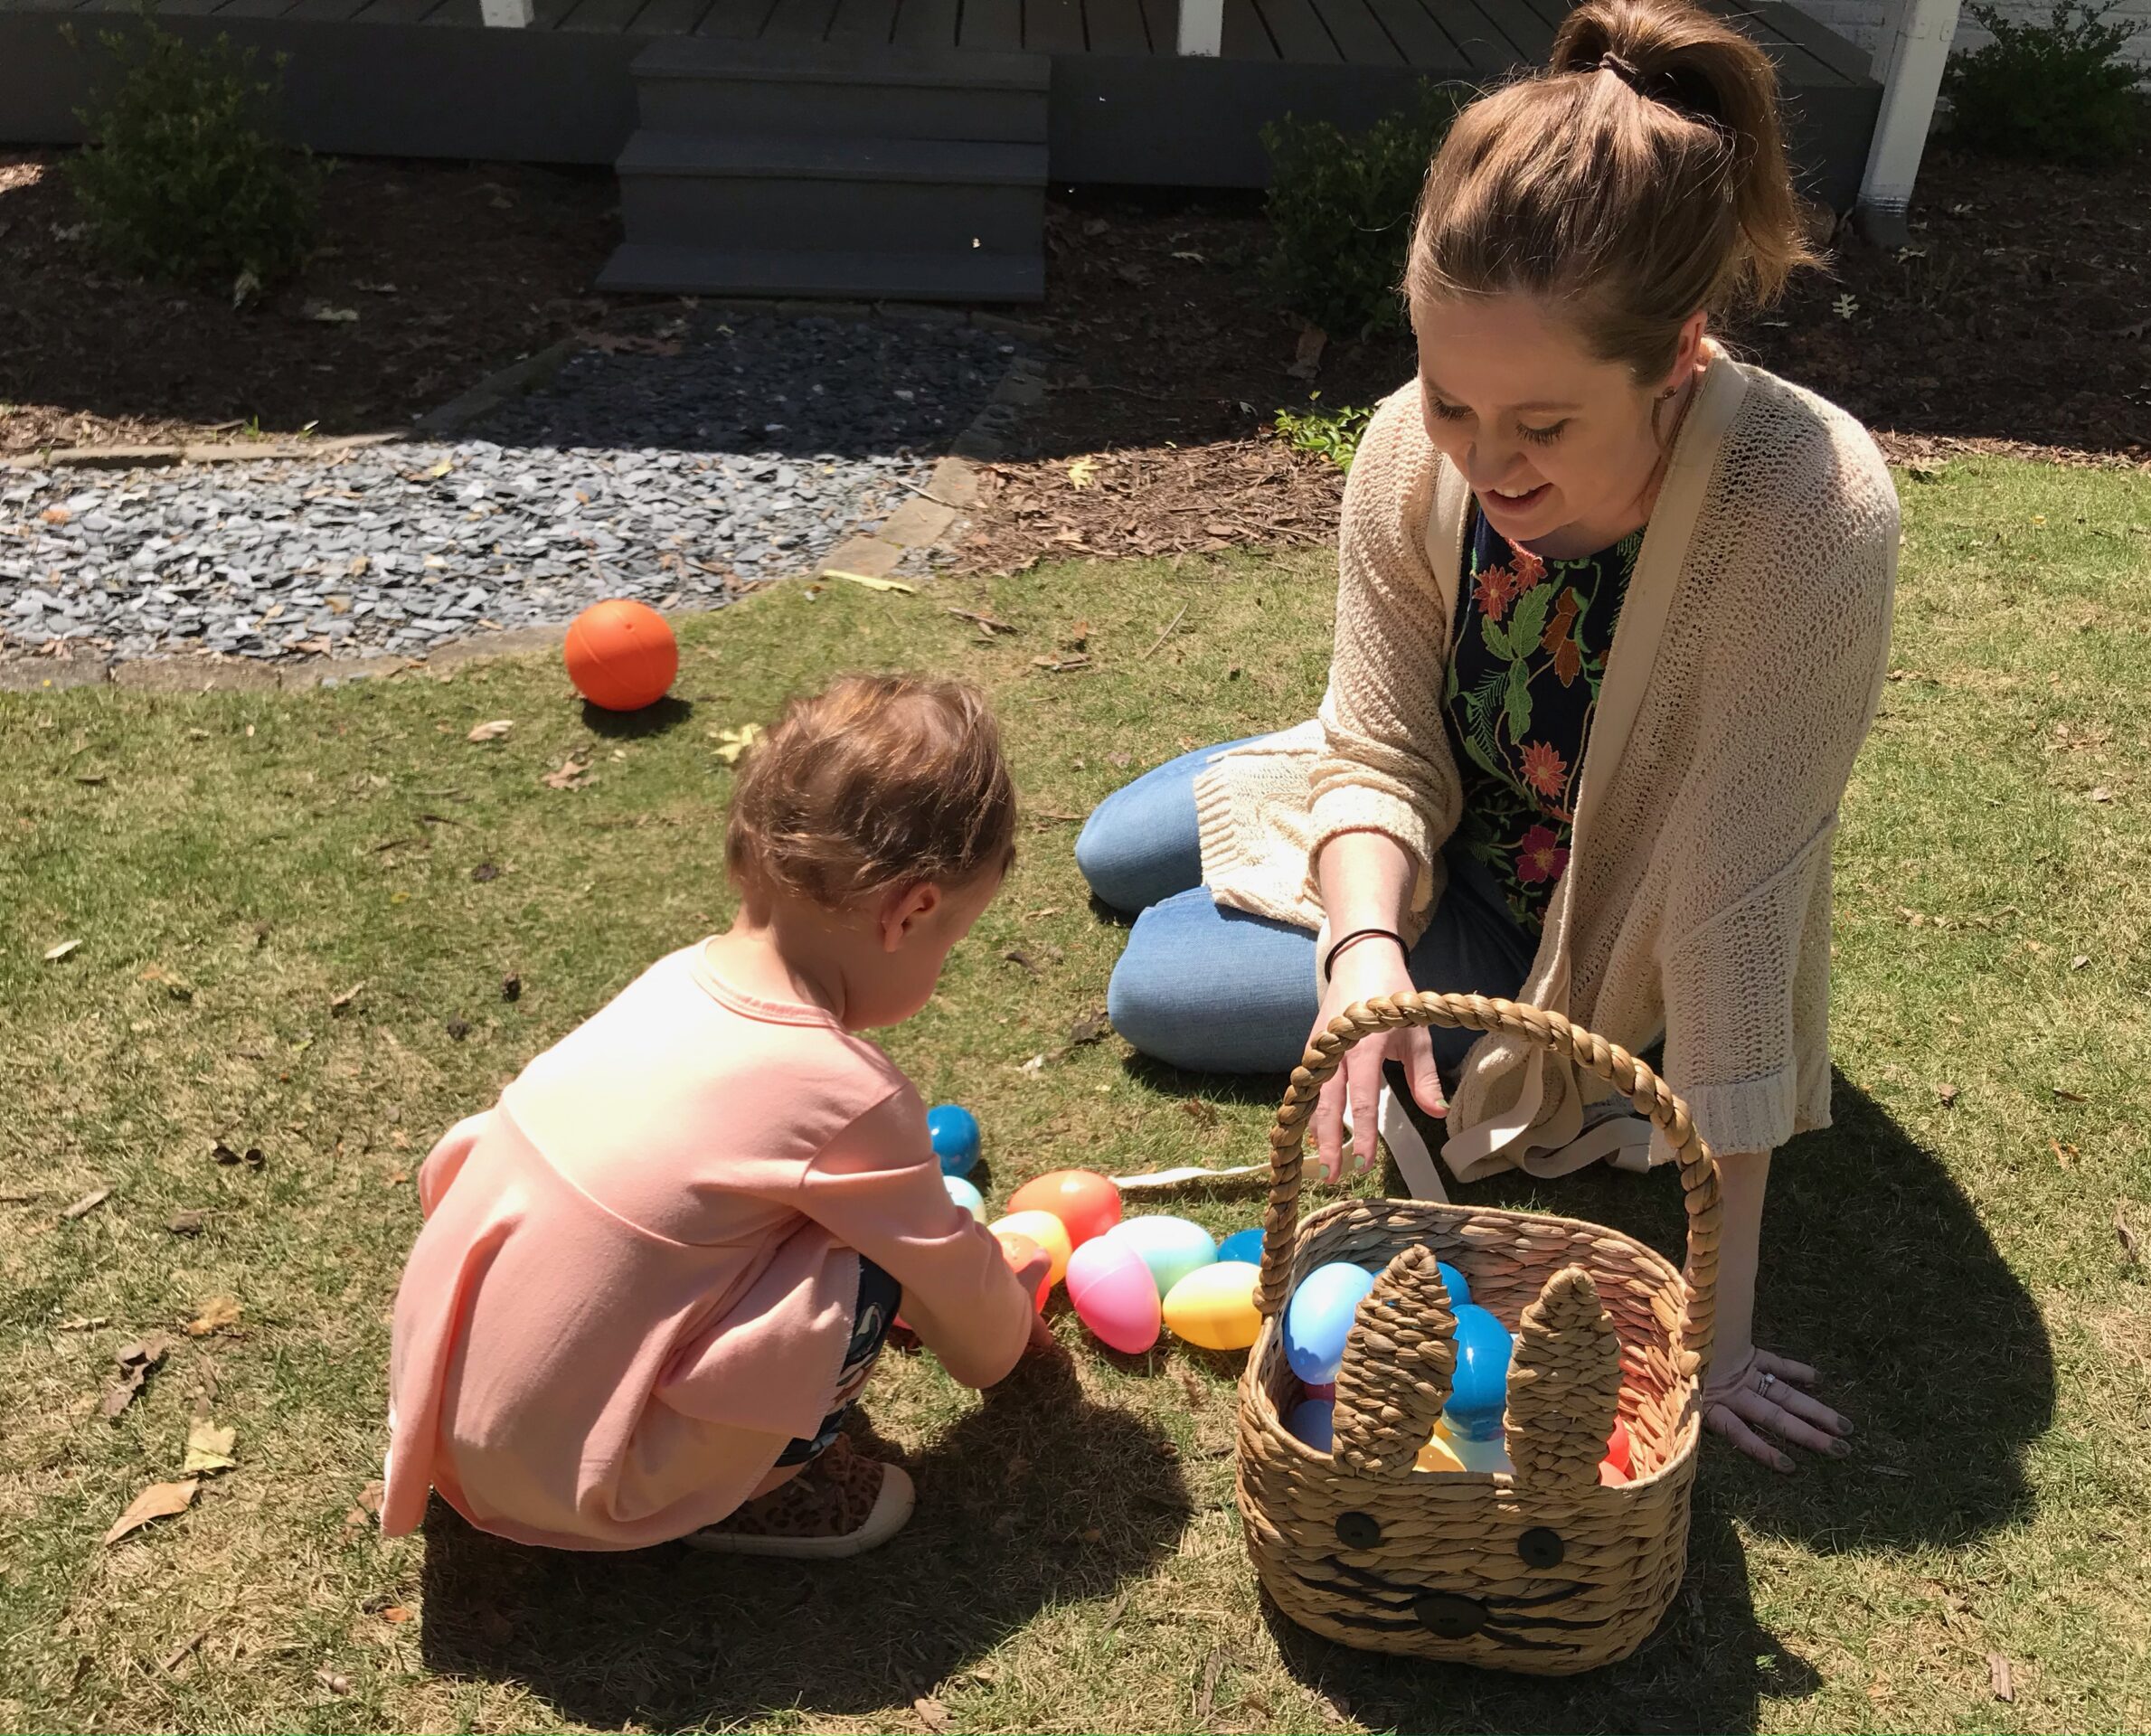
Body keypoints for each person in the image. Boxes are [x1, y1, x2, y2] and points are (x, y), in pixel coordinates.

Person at [1076, 0, 1899, 1474]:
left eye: (1541, 423)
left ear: (1678, 360)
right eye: (1454, 400)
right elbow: (1386, 737)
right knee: (1112, 845)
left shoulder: (1806, 514)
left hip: (1563, 936)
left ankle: (1363, 907)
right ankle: (1350, 894)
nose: (1486, 460)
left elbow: (1729, 908)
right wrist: (1364, 958)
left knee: (1155, 987)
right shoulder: (1412, 440)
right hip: (1457, 799)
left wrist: (1720, 1326)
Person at [382, 675, 1048, 1557]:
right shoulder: (847, 1096)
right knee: (858, 1261)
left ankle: (613, 1432)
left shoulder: (673, 980)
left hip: (447, 1424)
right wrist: (1017, 1333)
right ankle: (758, 1493)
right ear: (910, 911)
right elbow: (980, 1346)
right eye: (950, 942)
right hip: (588, 1483)